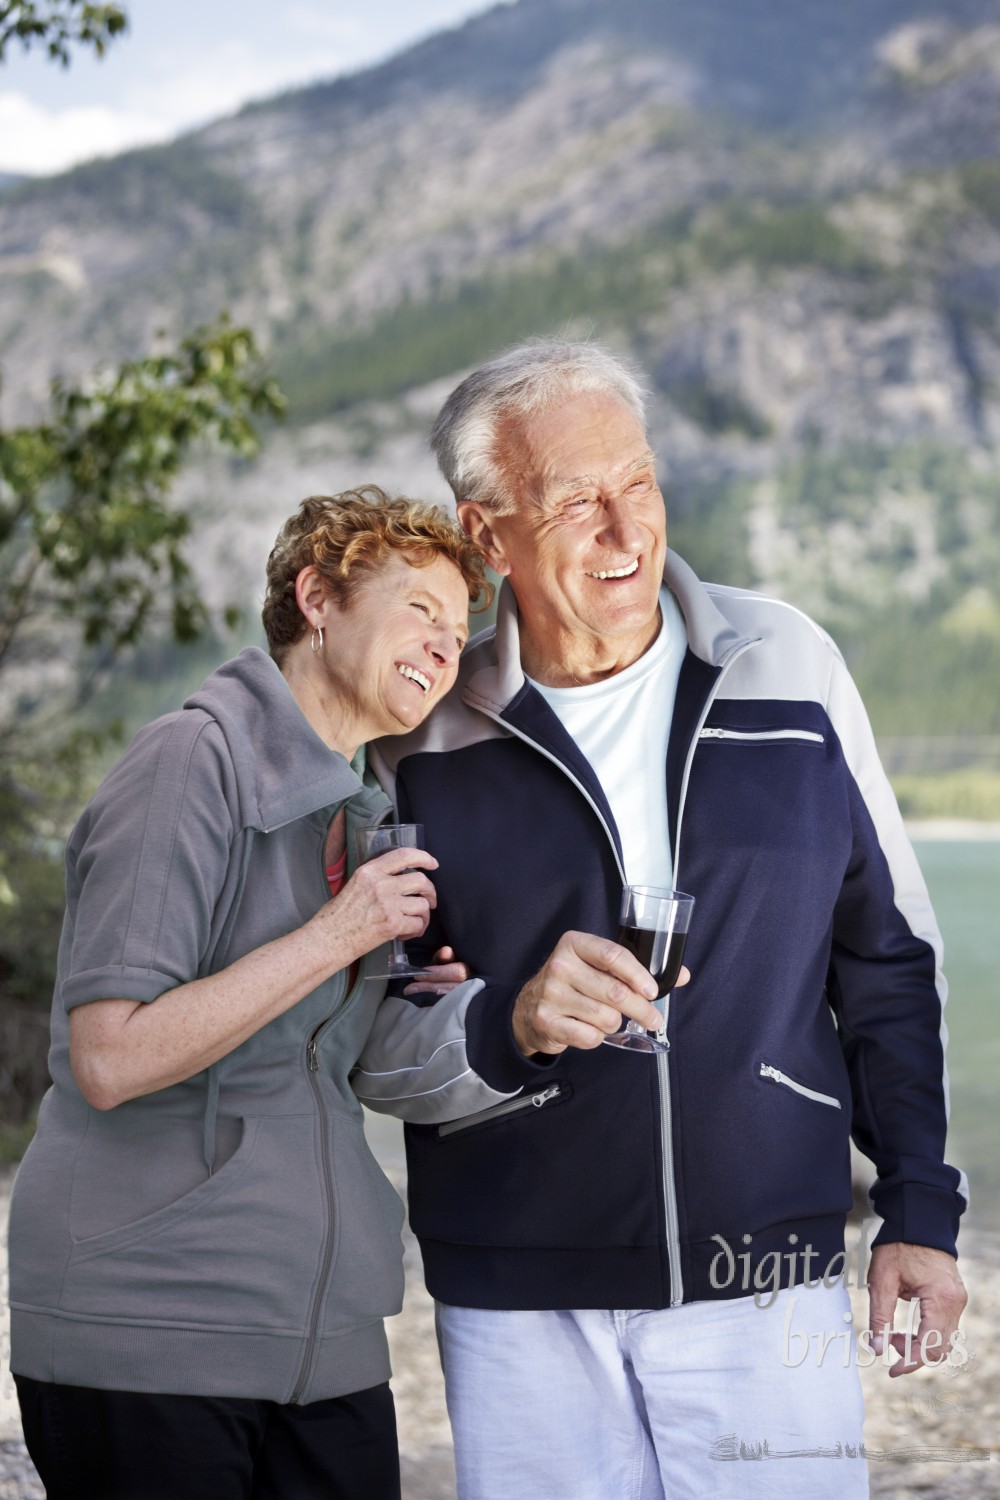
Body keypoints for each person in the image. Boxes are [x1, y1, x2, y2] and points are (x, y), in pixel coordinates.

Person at [363, 344, 969, 1500]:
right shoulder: (413, 737)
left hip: (769, 1273)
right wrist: (508, 1025)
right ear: (486, 535)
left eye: (636, 482)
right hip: (517, 1298)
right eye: (574, 501)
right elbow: (370, 1041)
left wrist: (920, 1210)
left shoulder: (787, 664)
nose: (625, 531)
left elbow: (886, 959)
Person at [6, 485, 506, 1500]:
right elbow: (109, 1057)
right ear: (316, 596)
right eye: (419, 610)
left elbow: (328, 1057)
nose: (441, 648)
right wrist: (339, 935)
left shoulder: (366, 813)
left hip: (321, 1334)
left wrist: (445, 1001)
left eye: (456, 634)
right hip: (153, 1329)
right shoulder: (192, 764)